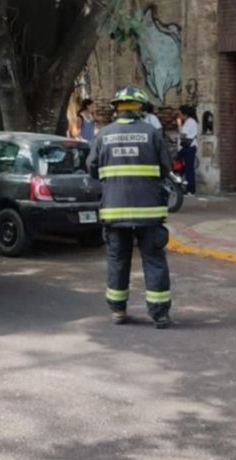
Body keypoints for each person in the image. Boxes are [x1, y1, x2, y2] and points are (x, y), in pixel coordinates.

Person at [88, 86, 173, 328]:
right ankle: (160, 314)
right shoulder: (152, 133)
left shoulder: (103, 135)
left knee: (117, 260)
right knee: (154, 260)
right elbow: (165, 168)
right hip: (149, 213)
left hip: (114, 211)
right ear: (140, 109)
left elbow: (92, 167)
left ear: (117, 108)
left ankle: (118, 311)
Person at [175, 105, 198, 197]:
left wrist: (179, 125)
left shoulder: (190, 122)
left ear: (184, 114)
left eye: (180, 114)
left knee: (186, 168)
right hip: (187, 148)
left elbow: (183, 134)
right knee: (183, 168)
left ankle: (190, 190)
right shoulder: (190, 121)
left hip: (188, 148)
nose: (179, 116)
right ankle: (182, 187)